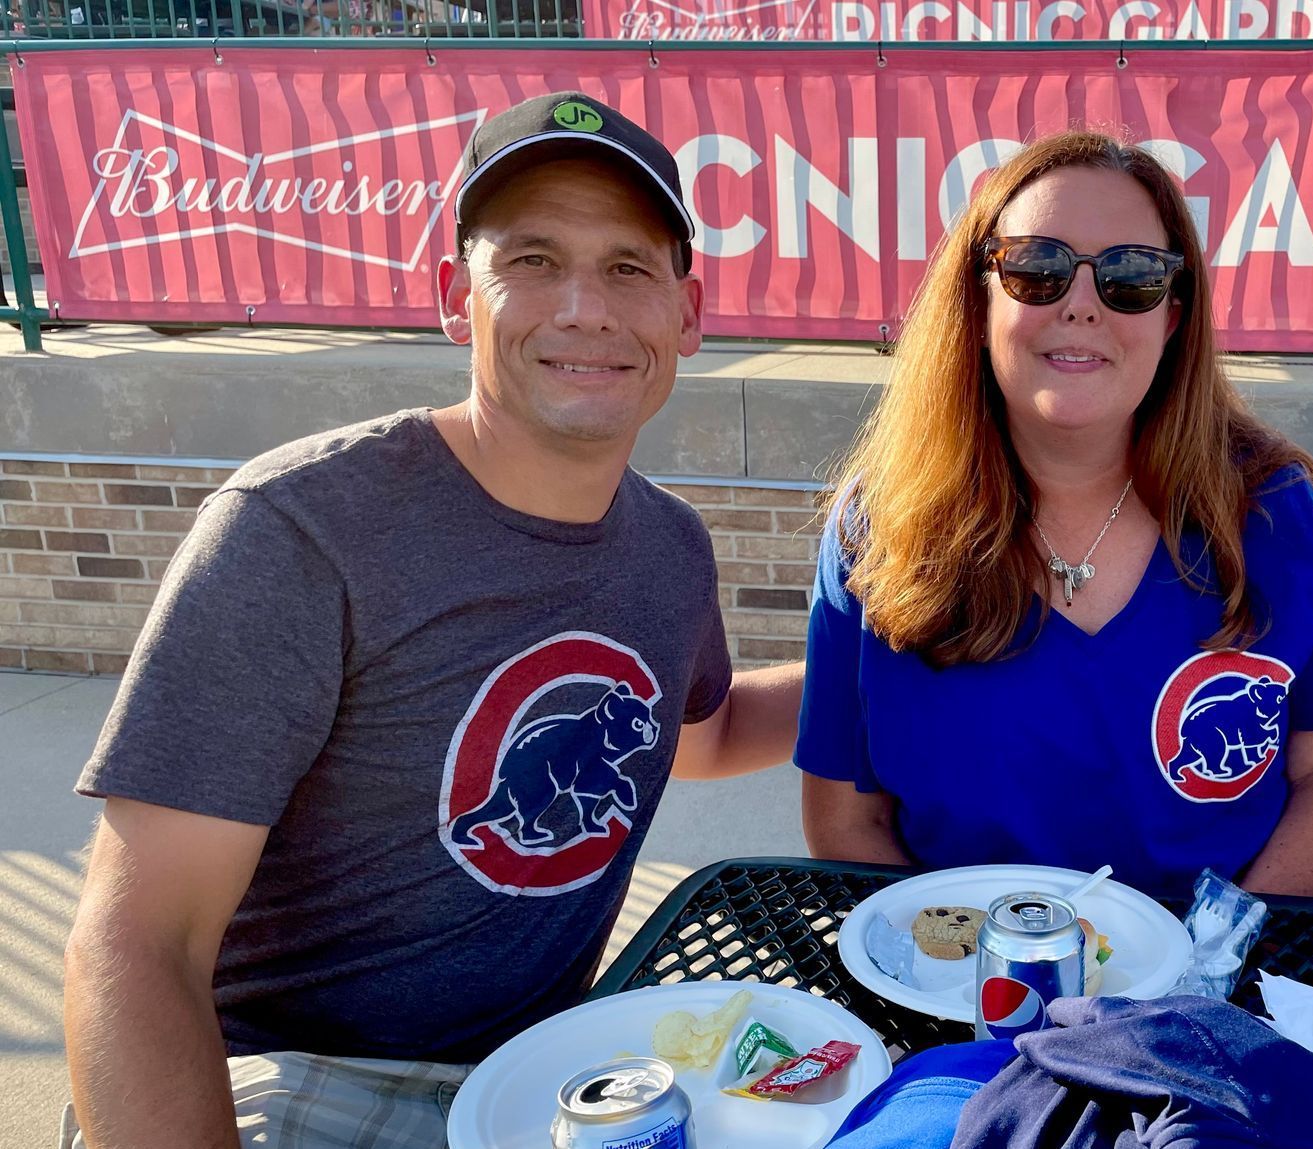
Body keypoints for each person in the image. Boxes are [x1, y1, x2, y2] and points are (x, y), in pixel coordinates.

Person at [61, 91, 803, 1149]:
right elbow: (135, 941)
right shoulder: (299, 530)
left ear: (686, 313)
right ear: (459, 297)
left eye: (628, 267)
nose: (586, 307)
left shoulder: (669, 548)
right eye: (534, 261)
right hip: (285, 1083)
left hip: (542, 1078)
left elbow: (700, 736)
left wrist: (892, 662)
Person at [795, 131, 1313, 901]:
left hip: (1236, 977)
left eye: (1130, 278)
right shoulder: (875, 527)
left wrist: (1207, 961)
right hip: (973, 986)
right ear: (978, 297)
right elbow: (847, 824)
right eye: (1036, 268)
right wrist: (984, 974)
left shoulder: (1268, 506)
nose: (1080, 305)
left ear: (1173, 316)